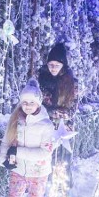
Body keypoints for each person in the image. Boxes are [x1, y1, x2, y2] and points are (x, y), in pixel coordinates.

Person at [38, 42, 78, 188]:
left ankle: (66, 194)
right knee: (46, 162)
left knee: (64, 161)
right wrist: (51, 112)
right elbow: (37, 105)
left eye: (56, 64)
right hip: (46, 129)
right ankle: (46, 191)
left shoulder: (72, 84)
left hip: (65, 131)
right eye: (50, 64)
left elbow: (71, 112)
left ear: (63, 65)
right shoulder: (41, 81)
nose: (53, 67)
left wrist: (49, 112)